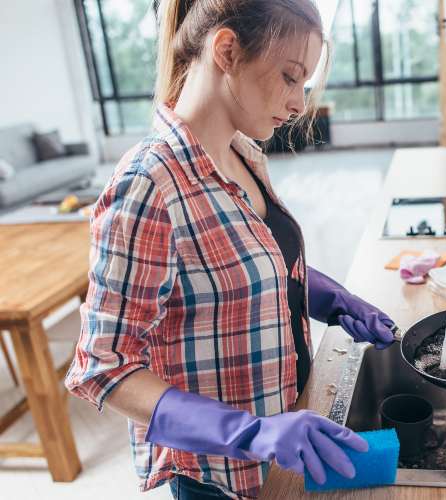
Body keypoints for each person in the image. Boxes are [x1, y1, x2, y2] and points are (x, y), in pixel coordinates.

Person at [64, 1, 395, 498]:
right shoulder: (149, 184)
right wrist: (252, 433)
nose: (300, 104)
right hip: (220, 477)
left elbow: (256, 267)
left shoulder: (244, 153)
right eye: (290, 77)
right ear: (226, 51)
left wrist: (335, 299)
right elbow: (103, 367)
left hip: (286, 438)